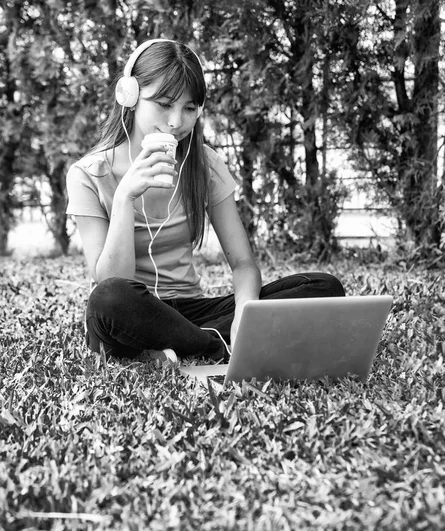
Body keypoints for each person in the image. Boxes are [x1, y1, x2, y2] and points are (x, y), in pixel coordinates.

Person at [66, 38, 345, 363]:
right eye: (164, 103)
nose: (176, 122)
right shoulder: (88, 174)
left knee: (323, 287)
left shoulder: (205, 165)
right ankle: (213, 347)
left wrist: (246, 312)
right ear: (130, 96)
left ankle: (183, 347)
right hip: (130, 311)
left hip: (190, 312)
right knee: (108, 298)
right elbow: (111, 279)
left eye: (189, 108)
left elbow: (243, 264)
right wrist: (125, 195)